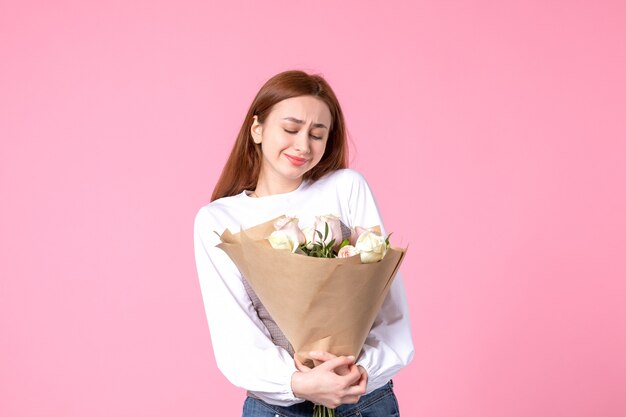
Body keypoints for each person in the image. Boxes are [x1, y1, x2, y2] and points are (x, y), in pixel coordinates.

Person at [194, 70, 414, 416]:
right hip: (280, 408)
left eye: (317, 134)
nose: (302, 145)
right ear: (257, 129)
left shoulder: (346, 187)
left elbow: (389, 310)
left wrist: (359, 374)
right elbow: (234, 336)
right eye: (291, 128)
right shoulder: (218, 220)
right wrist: (301, 383)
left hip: (363, 398)